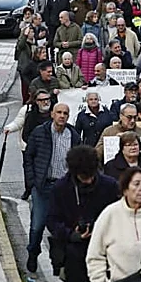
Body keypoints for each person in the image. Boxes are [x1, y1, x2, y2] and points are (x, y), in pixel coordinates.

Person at [46, 145, 117, 282]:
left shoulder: (108, 186)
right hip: (75, 258)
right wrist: (72, 234)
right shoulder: (61, 189)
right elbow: (53, 221)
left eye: (90, 176)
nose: (87, 181)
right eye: (83, 177)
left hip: (105, 258)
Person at [24, 102, 80, 273]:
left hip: (64, 188)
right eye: (59, 112)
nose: (62, 116)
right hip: (43, 186)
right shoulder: (40, 132)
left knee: (61, 227)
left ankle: (59, 262)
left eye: (65, 113)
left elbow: (78, 159)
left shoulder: (73, 135)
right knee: (37, 225)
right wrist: (32, 181)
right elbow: (29, 157)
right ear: (52, 114)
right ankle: (33, 252)